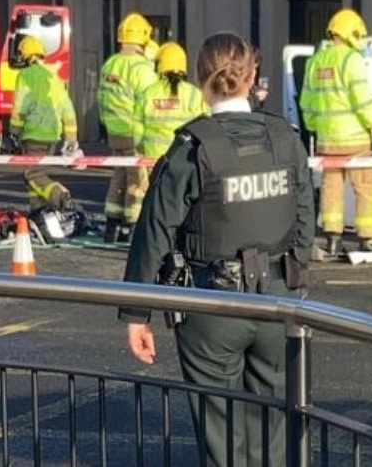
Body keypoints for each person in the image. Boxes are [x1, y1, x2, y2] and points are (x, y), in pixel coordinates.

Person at [120, 31, 315, 467]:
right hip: (279, 302)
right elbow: (304, 222)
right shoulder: (286, 139)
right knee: (276, 432)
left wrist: (135, 312)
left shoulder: (192, 147)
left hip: (212, 304)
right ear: (252, 78)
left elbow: (154, 230)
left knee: (223, 436)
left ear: (200, 78)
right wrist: (295, 290)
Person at [298, 8, 372, 254]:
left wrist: (316, 127)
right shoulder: (351, 59)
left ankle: (333, 237)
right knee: (366, 188)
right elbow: (362, 99)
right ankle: (368, 238)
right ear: (352, 33)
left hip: (327, 139)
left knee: (331, 189)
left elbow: (306, 102)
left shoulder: (315, 61)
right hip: (356, 139)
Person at [98, 13, 160, 243]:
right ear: (144, 38)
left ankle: (112, 226)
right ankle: (132, 228)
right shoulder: (142, 68)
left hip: (114, 132)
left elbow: (101, 97)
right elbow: (151, 101)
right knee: (138, 181)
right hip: (135, 133)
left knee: (119, 175)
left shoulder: (110, 64)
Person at [7, 35, 79, 213]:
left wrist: (13, 132)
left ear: (24, 56)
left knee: (32, 174)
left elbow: (20, 106)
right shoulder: (53, 78)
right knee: (34, 177)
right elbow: (67, 109)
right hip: (52, 136)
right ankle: (39, 213)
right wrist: (71, 138)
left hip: (33, 135)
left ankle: (60, 196)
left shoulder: (25, 75)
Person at [132, 41, 210, 163]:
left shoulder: (148, 94)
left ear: (159, 65)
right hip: (185, 159)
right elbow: (205, 125)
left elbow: (137, 130)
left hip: (154, 161)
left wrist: (141, 150)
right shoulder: (194, 94)